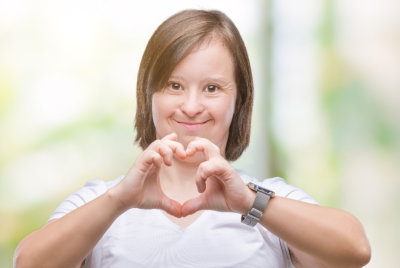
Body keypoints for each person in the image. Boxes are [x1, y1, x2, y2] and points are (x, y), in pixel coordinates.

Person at [14, 9, 371, 268]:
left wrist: (248, 203)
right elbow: (28, 263)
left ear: (239, 101)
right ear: (149, 96)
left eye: (212, 88)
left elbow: (355, 250)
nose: (191, 106)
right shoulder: (102, 203)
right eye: (174, 85)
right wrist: (121, 200)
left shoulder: (267, 205)